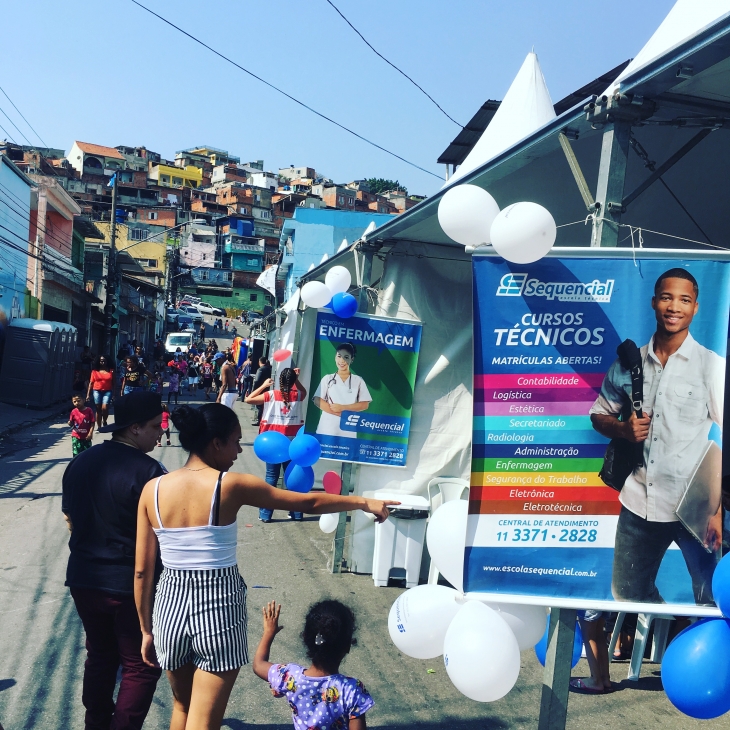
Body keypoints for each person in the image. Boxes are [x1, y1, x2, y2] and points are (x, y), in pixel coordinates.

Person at [134, 404, 396, 730]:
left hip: (168, 609)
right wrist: (363, 502)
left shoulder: (153, 489)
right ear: (215, 443)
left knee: (183, 708)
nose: (238, 451)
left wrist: (147, 630)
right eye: (234, 441)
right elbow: (307, 502)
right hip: (216, 608)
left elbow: (143, 571)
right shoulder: (230, 485)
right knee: (203, 722)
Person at [590, 268, 724, 605]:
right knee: (627, 594)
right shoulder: (628, 364)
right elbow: (598, 414)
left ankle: (696, 646)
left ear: (695, 308)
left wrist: (720, 510)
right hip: (639, 504)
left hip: (696, 508)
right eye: (666, 297)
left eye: (684, 300)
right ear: (654, 302)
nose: (674, 306)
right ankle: (668, 630)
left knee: (713, 599)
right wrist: (622, 429)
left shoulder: (711, 367)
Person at [62, 392, 165, 730]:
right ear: (134, 428)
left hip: (83, 578)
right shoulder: (151, 472)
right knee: (140, 665)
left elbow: (70, 520)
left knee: (101, 655)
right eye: (154, 426)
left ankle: (95, 723)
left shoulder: (80, 462)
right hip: (128, 586)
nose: (160, 434)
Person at [253, 600, 374, 730]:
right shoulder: (351, 690)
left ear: (305, 638)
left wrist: (268, 632)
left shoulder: (290, 677)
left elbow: (258, 664)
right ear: (347, 645)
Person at [246, 367, 307, 522]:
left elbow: (249, 399)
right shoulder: (298, 395)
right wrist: (296, 379)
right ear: (293, 381)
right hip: (292, 443)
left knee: (271, 477)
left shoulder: (271, 395)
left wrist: (264, 385)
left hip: (272, 443)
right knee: (292, 478)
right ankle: (297, 513)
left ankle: (266, 515)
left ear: (279, 381)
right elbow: (303, 390)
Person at [313, 344, 372, 439]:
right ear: (335, 357)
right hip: (327, 428)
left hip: (347, 429)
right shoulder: (327, 378)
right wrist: (340, 413)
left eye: (346, 357)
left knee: (346, 451)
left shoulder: (358, 380)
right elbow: (317, 400)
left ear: (352, 359)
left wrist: (342, 408)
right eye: (339, 356)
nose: (342, 361)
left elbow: (364, 404)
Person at [570, 611, 613, 694]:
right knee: (599, 633)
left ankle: (596, 680)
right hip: (605, 599)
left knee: (589, 637)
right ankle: (605, 679)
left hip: (589, 600)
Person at [86, 355, 115, 429]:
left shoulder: (111, 370)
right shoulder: (94, 371)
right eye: (101, 361)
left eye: (104, 361)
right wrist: (88, 395)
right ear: (98, 362)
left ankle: (104, 420)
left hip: (107, 391)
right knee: (98, 409)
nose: (103, 362)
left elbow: (114, 383)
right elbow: (91, 383)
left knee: (104, 408)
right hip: (97, 391)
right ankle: (99, 426)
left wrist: (114, 394)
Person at [250, 357, 271, 426]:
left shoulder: (260, 369)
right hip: (267, 389)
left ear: (259, 362)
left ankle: (259, 421)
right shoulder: (270, 369)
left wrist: (254, 391)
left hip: (260, 389)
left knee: (259, 406)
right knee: (264, 406)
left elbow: (257, 380)